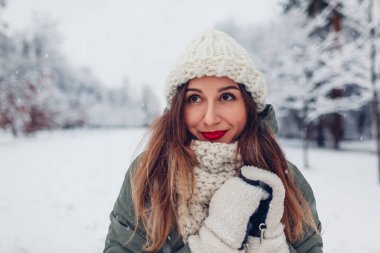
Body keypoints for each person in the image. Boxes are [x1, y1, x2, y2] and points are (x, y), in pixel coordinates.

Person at [103, 29, 323, 253]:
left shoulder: (282, 177)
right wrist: (214, 242)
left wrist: (269, 243)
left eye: (226, 97)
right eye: (195, 98)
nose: (210, 118)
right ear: (179, 107)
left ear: (249, 106)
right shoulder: (151, 172)